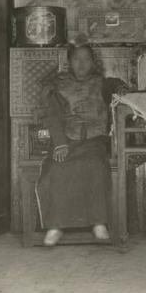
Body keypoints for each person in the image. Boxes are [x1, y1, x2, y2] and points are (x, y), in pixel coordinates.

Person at [36, 44, 128, 246]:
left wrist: (120, 88)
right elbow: (51, 115)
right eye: (77, 59)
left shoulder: (102, 83)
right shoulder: (58, 85)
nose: (81, 64)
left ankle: (98, 223)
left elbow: (116, 86)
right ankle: (55, 226)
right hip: (66, 141)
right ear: (69, 62)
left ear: (93, 63)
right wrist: (60, 143)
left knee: (95, 165)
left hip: (94, 141)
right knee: (58, 169)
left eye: (86, 59)